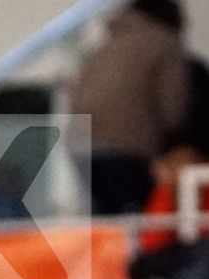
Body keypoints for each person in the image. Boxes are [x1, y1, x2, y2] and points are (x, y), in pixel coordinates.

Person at [71, 0, 190, 215]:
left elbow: (76, 91)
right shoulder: (163, 42)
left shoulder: (106, 43)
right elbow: (172, 102)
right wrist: (173, 139)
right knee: (140, 216)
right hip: (128, 145)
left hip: (80, 143)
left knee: (108, 217)